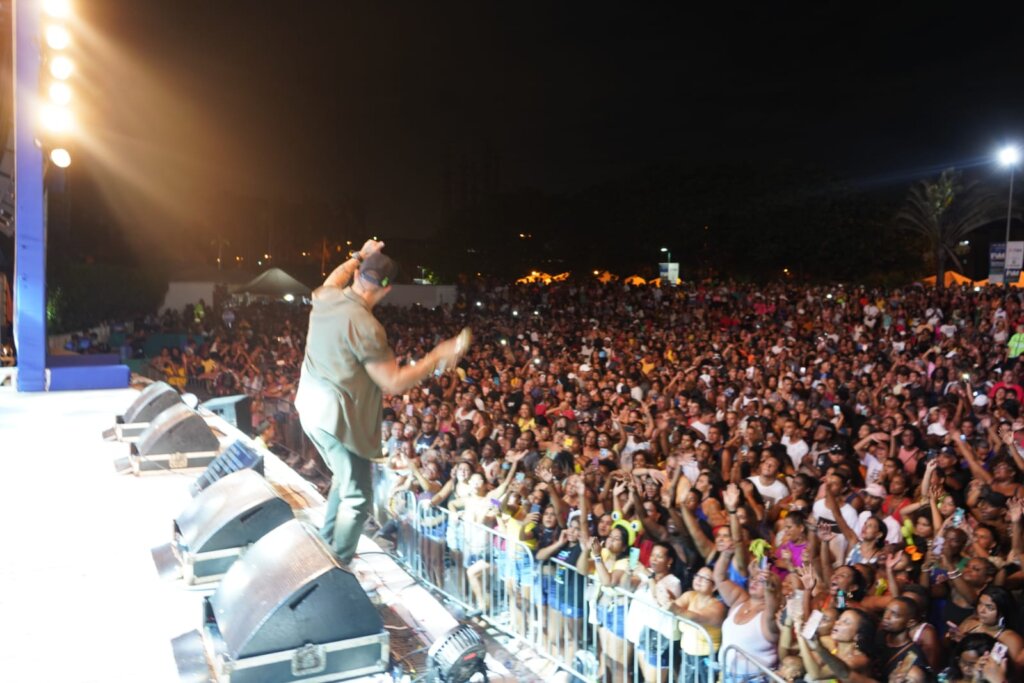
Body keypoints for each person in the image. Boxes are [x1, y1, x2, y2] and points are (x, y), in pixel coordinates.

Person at [294, 240, 467, 564]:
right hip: (338, 420)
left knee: (346, 482)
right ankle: (336, 568)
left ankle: (324, 549)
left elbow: (333, 279)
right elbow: (393, 382)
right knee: (358, 497)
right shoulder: (367, 326)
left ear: (358, 272)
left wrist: (359, 254)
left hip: (309, 408)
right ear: (386, 290)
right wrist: (437, 356)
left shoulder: (326, 297)